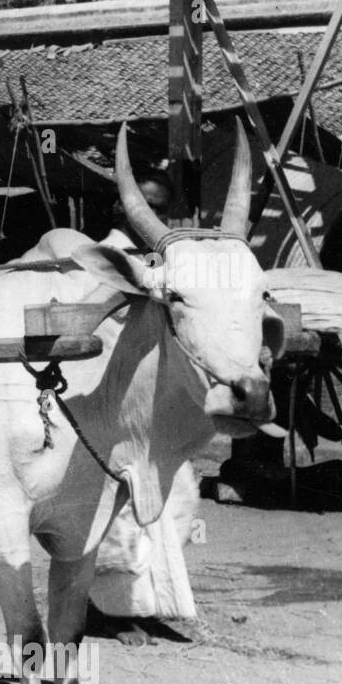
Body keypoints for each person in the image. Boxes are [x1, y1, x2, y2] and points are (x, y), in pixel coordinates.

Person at [91, 170, 202, 644]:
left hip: (157, 402)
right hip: (111, 401)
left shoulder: (169, 261)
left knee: (177, 496)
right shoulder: (102, 257)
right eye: (143, 205)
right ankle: (107, 611)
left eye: (159, 207)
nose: (148, 216)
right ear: (122, 210)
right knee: (119, 509)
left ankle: (144, 602)